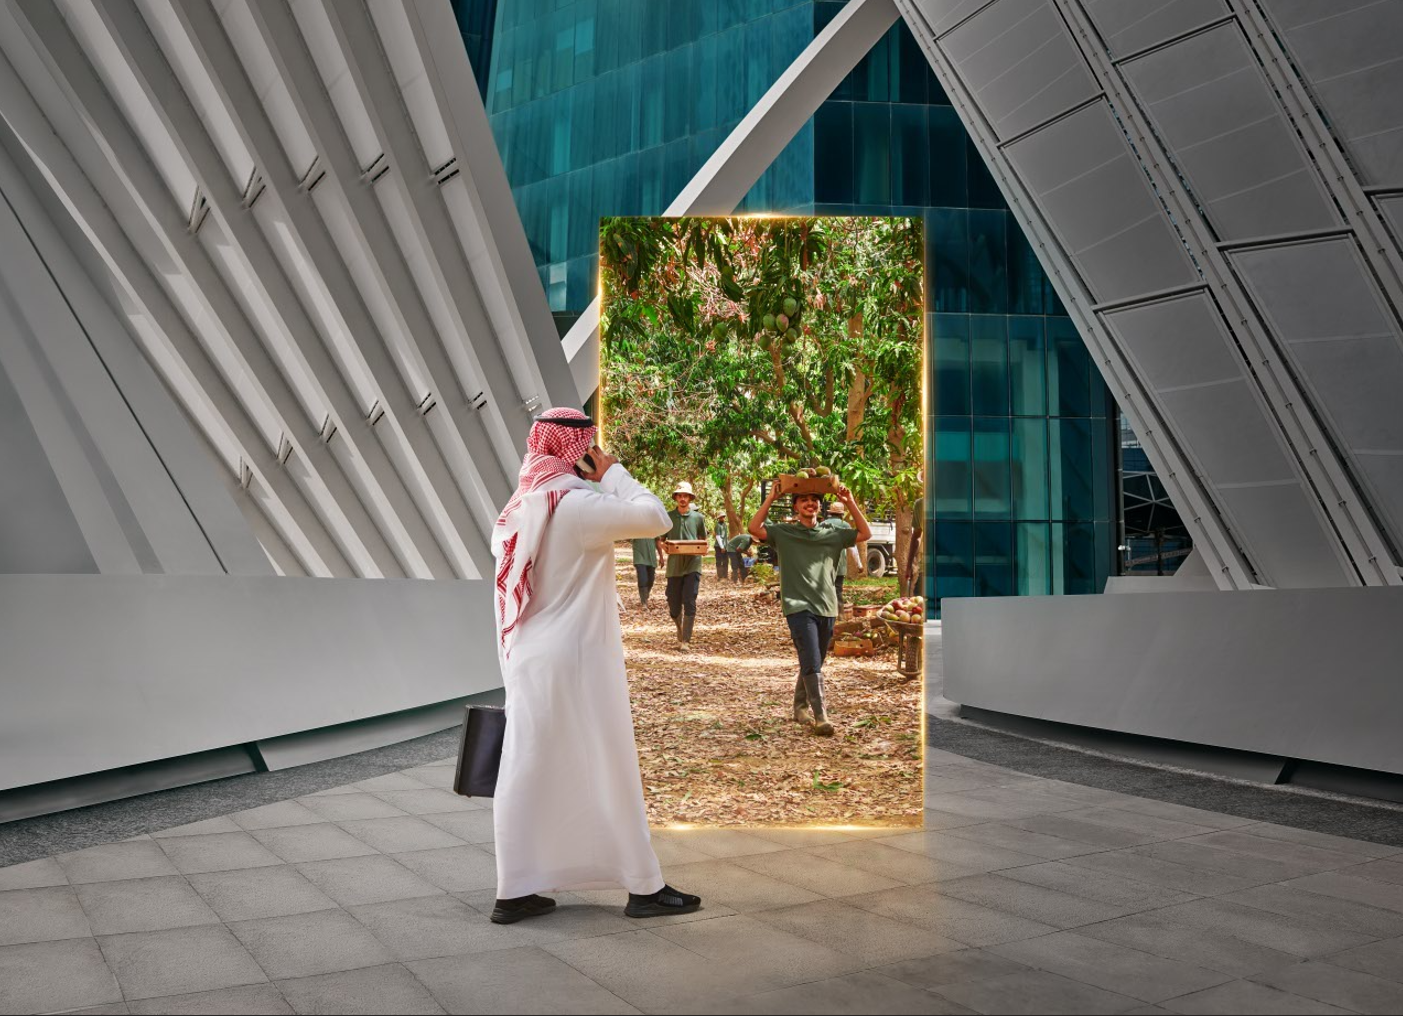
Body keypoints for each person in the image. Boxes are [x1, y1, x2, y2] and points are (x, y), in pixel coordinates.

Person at [489, 408, 700, 924]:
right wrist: (613, 472)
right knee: (611, 764)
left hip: (531, 657)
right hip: (578, 656)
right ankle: (644, 887)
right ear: (579, 450)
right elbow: (656, 516)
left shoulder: (522, 505)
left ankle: (515, 891)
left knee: (527, 768)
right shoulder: (578, 506)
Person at [749, 481, 871, 736]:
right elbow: (754, 528)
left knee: (814, 659)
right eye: (803, 499)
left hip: (827, 606)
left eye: (814, 499)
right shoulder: (783, 533)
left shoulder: (833, 533)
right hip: (797, 606)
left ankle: (799, 706)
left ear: (819, 506)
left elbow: (865, 533)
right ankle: (821, 716)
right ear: (795, 506)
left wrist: (849, 502)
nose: (809, 503)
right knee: (812, 660)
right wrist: (770, 498)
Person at [659, 481, 707, 652]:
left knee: (689, 599)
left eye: (685, 495)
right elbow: (661, 539)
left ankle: (686, 639)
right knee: (673, 602)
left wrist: (703, 549)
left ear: (690, 498)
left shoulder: (698, 518)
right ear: (676, 498)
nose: (682, 498)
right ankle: (679, 628)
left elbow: (703, 539)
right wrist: (664, 547)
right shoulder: (668, 517)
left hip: (693, 564)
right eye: (679, 495)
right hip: (674, 566)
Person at [825, 501, 856, 606]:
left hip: (825, 564)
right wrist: (859, 564)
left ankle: (827, 611)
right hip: (840, 564)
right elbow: (852, 547)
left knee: (826, 589)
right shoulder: (845, 525)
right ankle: (840, 612)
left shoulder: (823, 524)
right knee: (838, 589)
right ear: (842, 514)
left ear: (830, 513)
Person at [631, 536, 657, 608]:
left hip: (651, 556)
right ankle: (644, 601)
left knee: (651, 580)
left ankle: (645, 595)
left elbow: (658, 541)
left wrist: (661, 556)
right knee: (642, 578)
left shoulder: (654, 528)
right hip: (639, 555)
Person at [713, 511, 730, 581]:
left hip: (725, 545)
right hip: (718, 546)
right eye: (721, 517)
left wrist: (726, 545)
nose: (722, 518)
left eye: (723, 517)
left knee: (726, 561)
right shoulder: (717, 525)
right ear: (719, 518)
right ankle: (719, 576)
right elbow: (718, 536)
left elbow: (726, 536)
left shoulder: (725, 525)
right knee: (719, 561)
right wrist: (722, 547)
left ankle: (725, 575)